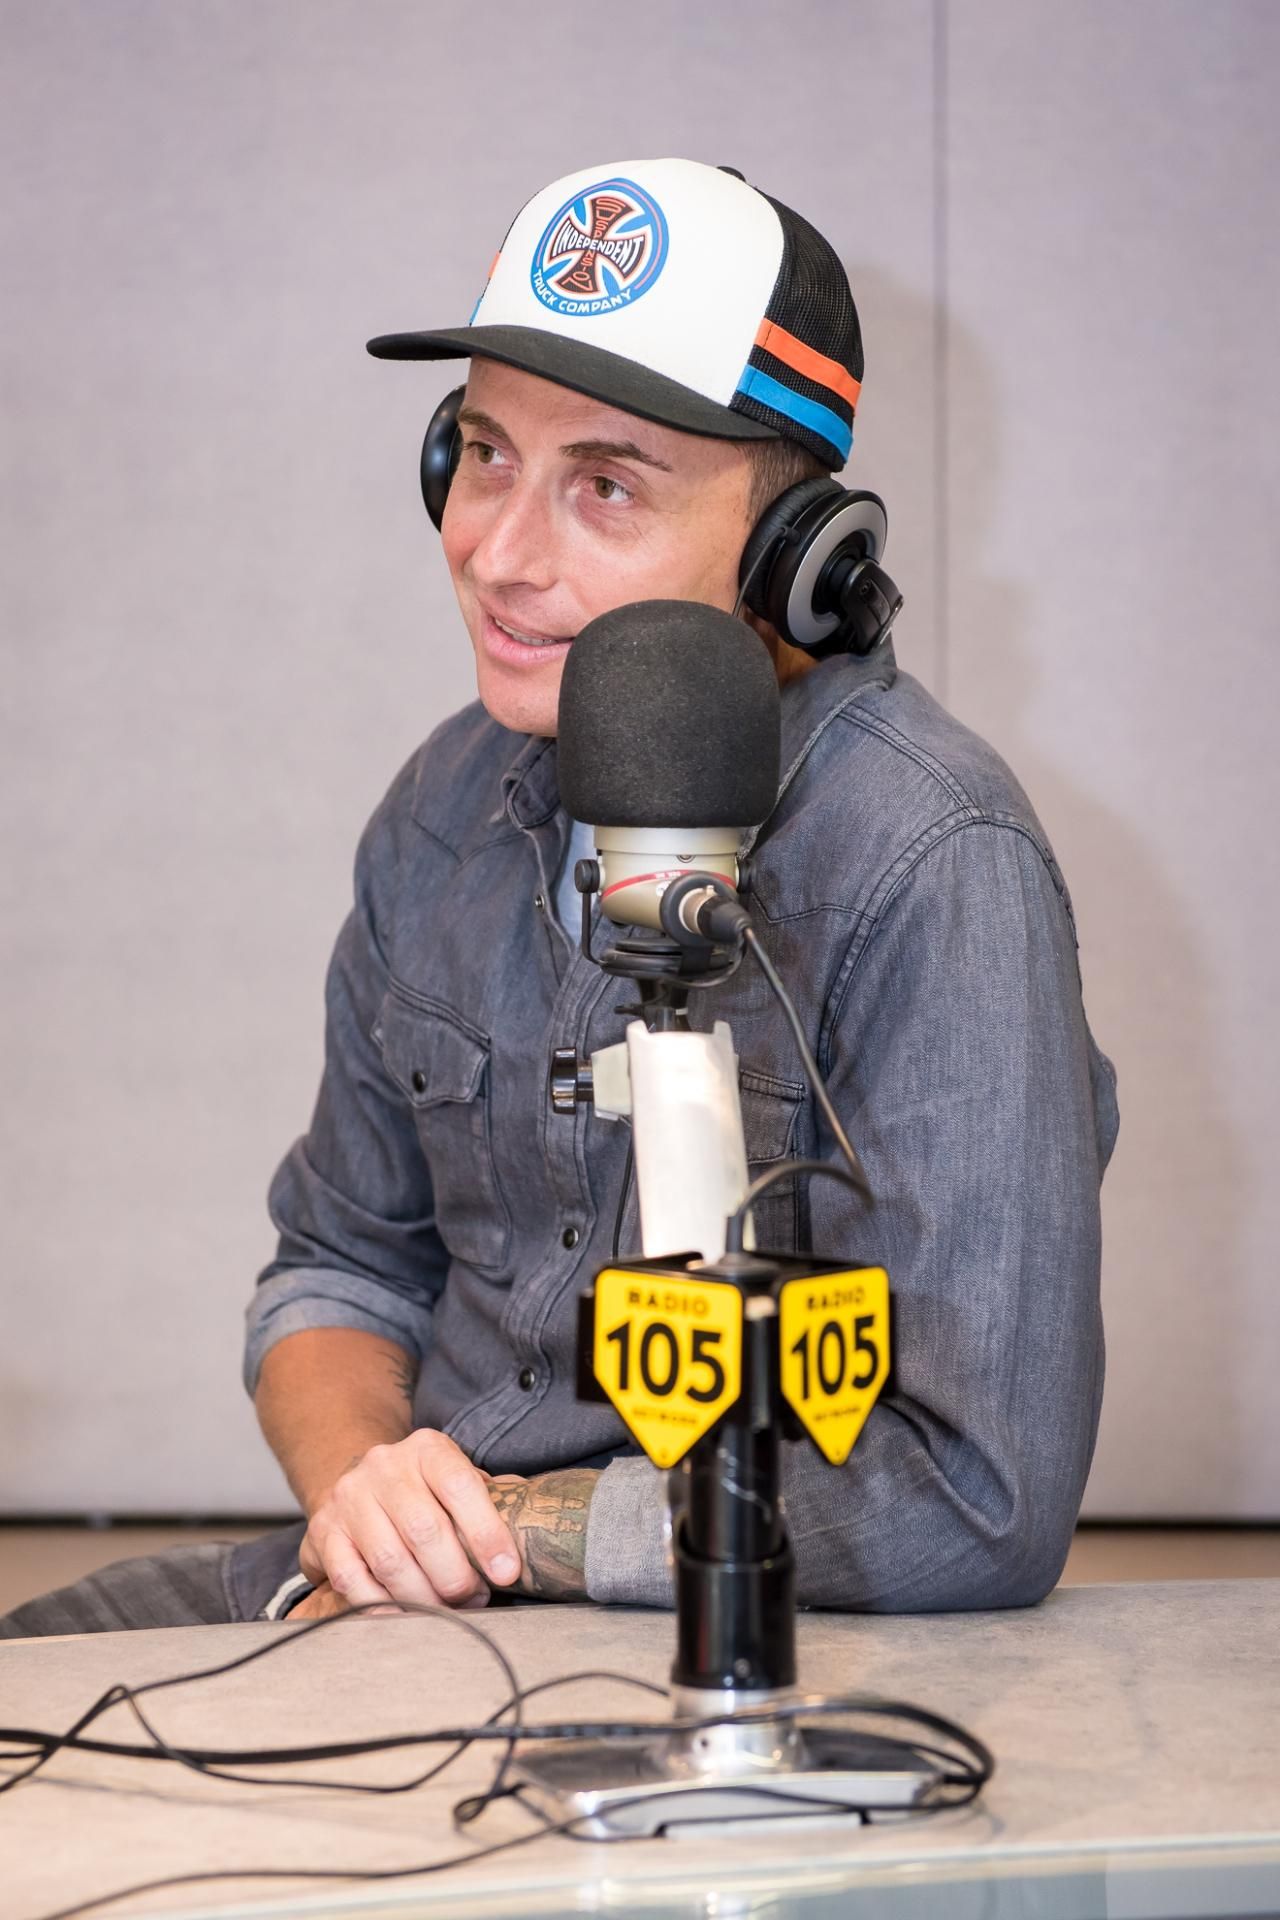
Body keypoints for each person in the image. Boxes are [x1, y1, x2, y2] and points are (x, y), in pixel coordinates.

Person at [0, 158, 1117, 1639]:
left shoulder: (937, 859)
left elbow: (979, 1496)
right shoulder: (446, 801)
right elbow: (338, 1269)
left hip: (705, 1612)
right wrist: (377, 1501)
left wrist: (521, 1534)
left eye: (605, 486)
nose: (495, 551)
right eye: (481, 454)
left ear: (797, 558)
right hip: (414, 1580)